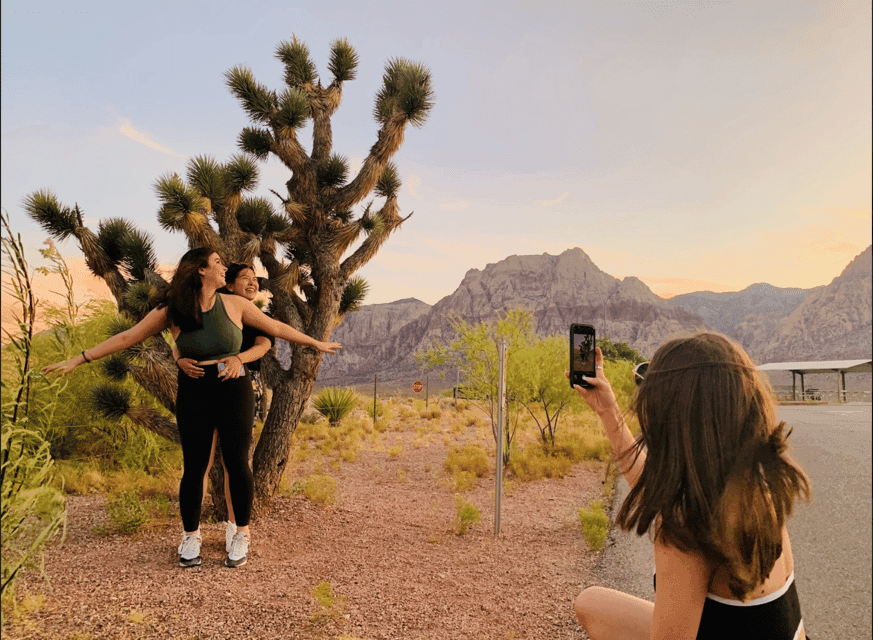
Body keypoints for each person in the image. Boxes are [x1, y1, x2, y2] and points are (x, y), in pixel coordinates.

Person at [44, 248, 341, 569]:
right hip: (194, 390)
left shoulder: (235, 304)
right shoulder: (174, 310)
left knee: (237, 463)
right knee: (195, 466)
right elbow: (128, 337)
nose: (223, 266)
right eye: (217, 262)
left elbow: (277, 329)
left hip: (234, 387)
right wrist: (78, 359)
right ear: (200, 270)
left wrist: (315, 343)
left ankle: (240, 532)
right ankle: (190, 535)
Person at [568, 333, 810, 640]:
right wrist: (608, 410)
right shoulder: (755, 484)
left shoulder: (686, 530)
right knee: (592, 604)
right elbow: (655, 489)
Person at [173, 262, 273, 557]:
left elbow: (265, 343)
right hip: (203, 381)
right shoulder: (220, 307)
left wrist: (238, 359)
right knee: (200, 462)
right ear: (229, 285)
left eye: (255, 279)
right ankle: (194, 533)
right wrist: (178, 358)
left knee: (235, 461)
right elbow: (185, 340)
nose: (252, 283)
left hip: (242, 384)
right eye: (245, 278)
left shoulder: (253, 314)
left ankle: (236, 527)